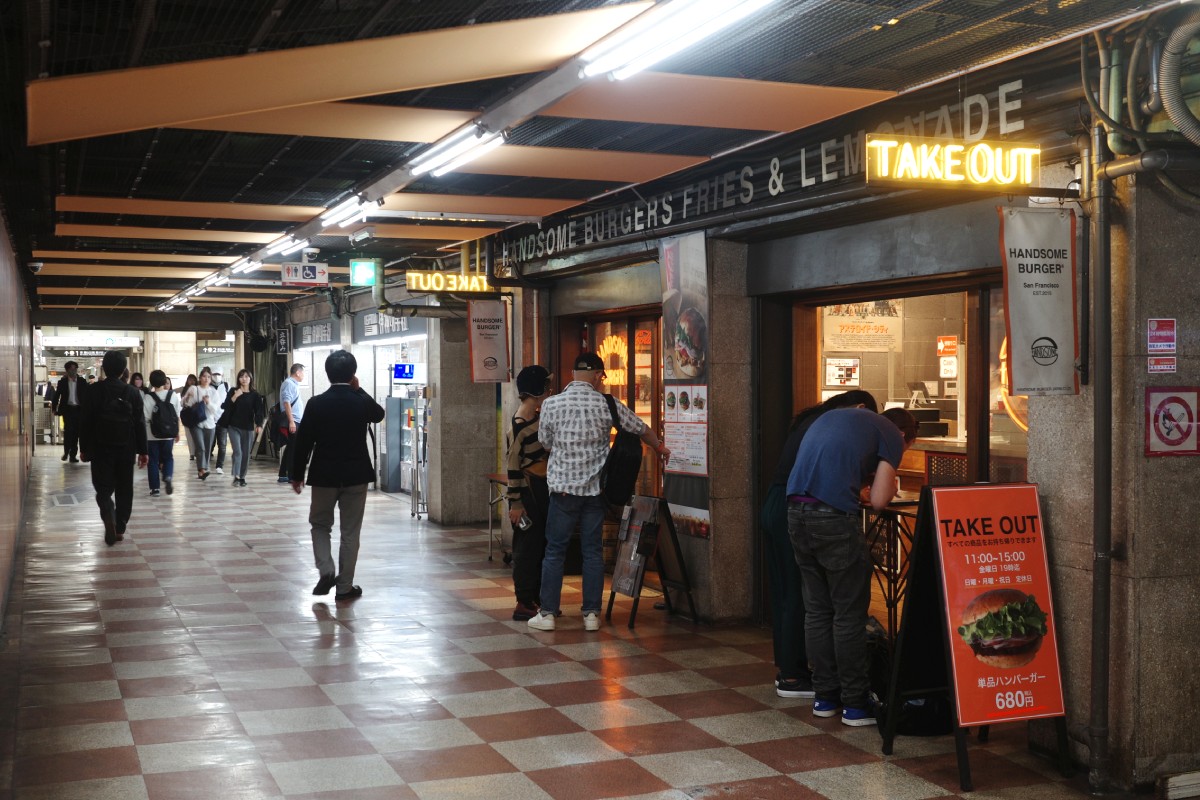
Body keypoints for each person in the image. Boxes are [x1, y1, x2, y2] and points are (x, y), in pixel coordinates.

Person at [785, 405, 917, 727]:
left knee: (817, 611)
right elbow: (880, 501)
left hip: (795, 512)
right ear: (903, 436)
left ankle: (824, 698)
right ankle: (856, 705)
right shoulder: (891, 435)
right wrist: (889, 478)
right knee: (848, 614)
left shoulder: (844, 418)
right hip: (831, 520)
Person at [527, 353, 670, 632]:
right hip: (595, 492)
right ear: (596, 375)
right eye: (601, 377)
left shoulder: (551, 405)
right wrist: (660, 448)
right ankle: (591, 614)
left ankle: (547, 615)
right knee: (592, 552)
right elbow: (641, 429)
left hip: (563, 493)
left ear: (573, 374)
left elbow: (544, 443)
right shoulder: (608, 404)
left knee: (555, 550)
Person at [762, 389, 877, 699]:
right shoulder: (831, 423)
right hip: (796, 505)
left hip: (777, 502)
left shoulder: (814, 418)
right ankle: (794, 676)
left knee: (786, 591)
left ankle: (789, 669)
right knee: (801, 595)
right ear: (860, 408)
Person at [289, 350, 384, 601]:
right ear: (353, 375)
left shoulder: (316, 403)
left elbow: (304, 442)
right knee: (350, 532)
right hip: (356, 475)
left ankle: (327, 569)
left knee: (320, 525)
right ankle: (344, 587)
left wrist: (296, 474)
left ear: (327, 374)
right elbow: (379, 414)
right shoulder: (360, 401)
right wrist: (359, 390)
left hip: (324, 475)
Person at [79, 350, 149, 545]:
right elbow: (140, 423)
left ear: (104, 368)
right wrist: (143, 451)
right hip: (126, 447)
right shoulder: (133, 393)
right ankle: (119, 527)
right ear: (123, 370)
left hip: (100, 447)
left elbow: (85, 421)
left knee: (102, 487)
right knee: (125, 489)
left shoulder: (93, 390)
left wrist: (83, 447)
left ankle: (108, 511)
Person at [505, 365, 553, 621]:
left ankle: (533, 598)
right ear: (537, 390)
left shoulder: (533, 419)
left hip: (537, 491)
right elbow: (512, 465)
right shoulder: (521, 426)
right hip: (528, 493)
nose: (549, 390)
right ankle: (524, 602)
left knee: (537, 545)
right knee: (527, 547)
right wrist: (515, 503)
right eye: (546, 386)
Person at [142, 369, 181, 497]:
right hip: (169, 434)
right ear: (165, 381)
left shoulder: (148, 397)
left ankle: (155, 489)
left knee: (153, 461)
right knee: (168, 457)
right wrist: (177, 432)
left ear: (152, 382)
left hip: (152, 435)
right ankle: (168, 476)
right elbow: (177, 415)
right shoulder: (173, 395)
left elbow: (146, 417)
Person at [222, 369, 264, 487]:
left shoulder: (255, 395)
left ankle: (242, 476)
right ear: (238, 379)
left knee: (246, 453)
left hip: (248, 427)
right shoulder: (233, 391)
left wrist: (259, 425)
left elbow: (259, 411)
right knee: (238, 451)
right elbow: (225, 406)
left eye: (246, 376)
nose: (244, 379)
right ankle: (236, 476)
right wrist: (235, 396)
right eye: (241, 376)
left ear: (250, 378)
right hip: (233, 426)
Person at [183, 370, 220, 480]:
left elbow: (215, 410)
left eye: (209, 377)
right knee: (200, 447)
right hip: (196, 423)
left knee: (208, 448)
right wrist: (188, 397)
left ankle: (205, 467)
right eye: (204, 376)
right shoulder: (194, 389)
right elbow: (184, 404)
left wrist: (208, 402)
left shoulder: (213, 392)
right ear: (200, 377)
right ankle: (201, 470)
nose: (206, 379)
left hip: (210, 423)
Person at [52, 360, 87, 463]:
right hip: (67, 410)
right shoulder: (62, 382)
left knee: (76, 433)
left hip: (79, 410)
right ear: (67, 370)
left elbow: (86, 396)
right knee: (68, 432)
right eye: (71, 369)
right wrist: (54, 408)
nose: (73, 371)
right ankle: (66, 451)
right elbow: (57, 396)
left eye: (75, 369)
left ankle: (73, 455)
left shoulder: (82, 382)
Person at [277, 363, 306, 484]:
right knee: (293, 449)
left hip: (295, 420)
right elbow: (287, 403)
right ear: (298, 372)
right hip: (293, 421)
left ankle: (283, 474)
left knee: (290, 448)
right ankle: (291, 475)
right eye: (303, 372)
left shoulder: (293, 384)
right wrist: (291, 422)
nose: (304, 375)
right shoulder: (289, 383)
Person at [209, 371, 230, 474]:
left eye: (219, 374)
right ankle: (206, 463)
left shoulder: (226, 386)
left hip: (223, 419)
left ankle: (219, 466)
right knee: (210, 443)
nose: (217, 377)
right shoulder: (208, 387)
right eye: (215, 374)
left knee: (222, 444)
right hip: (210, 419)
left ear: (222, 375)